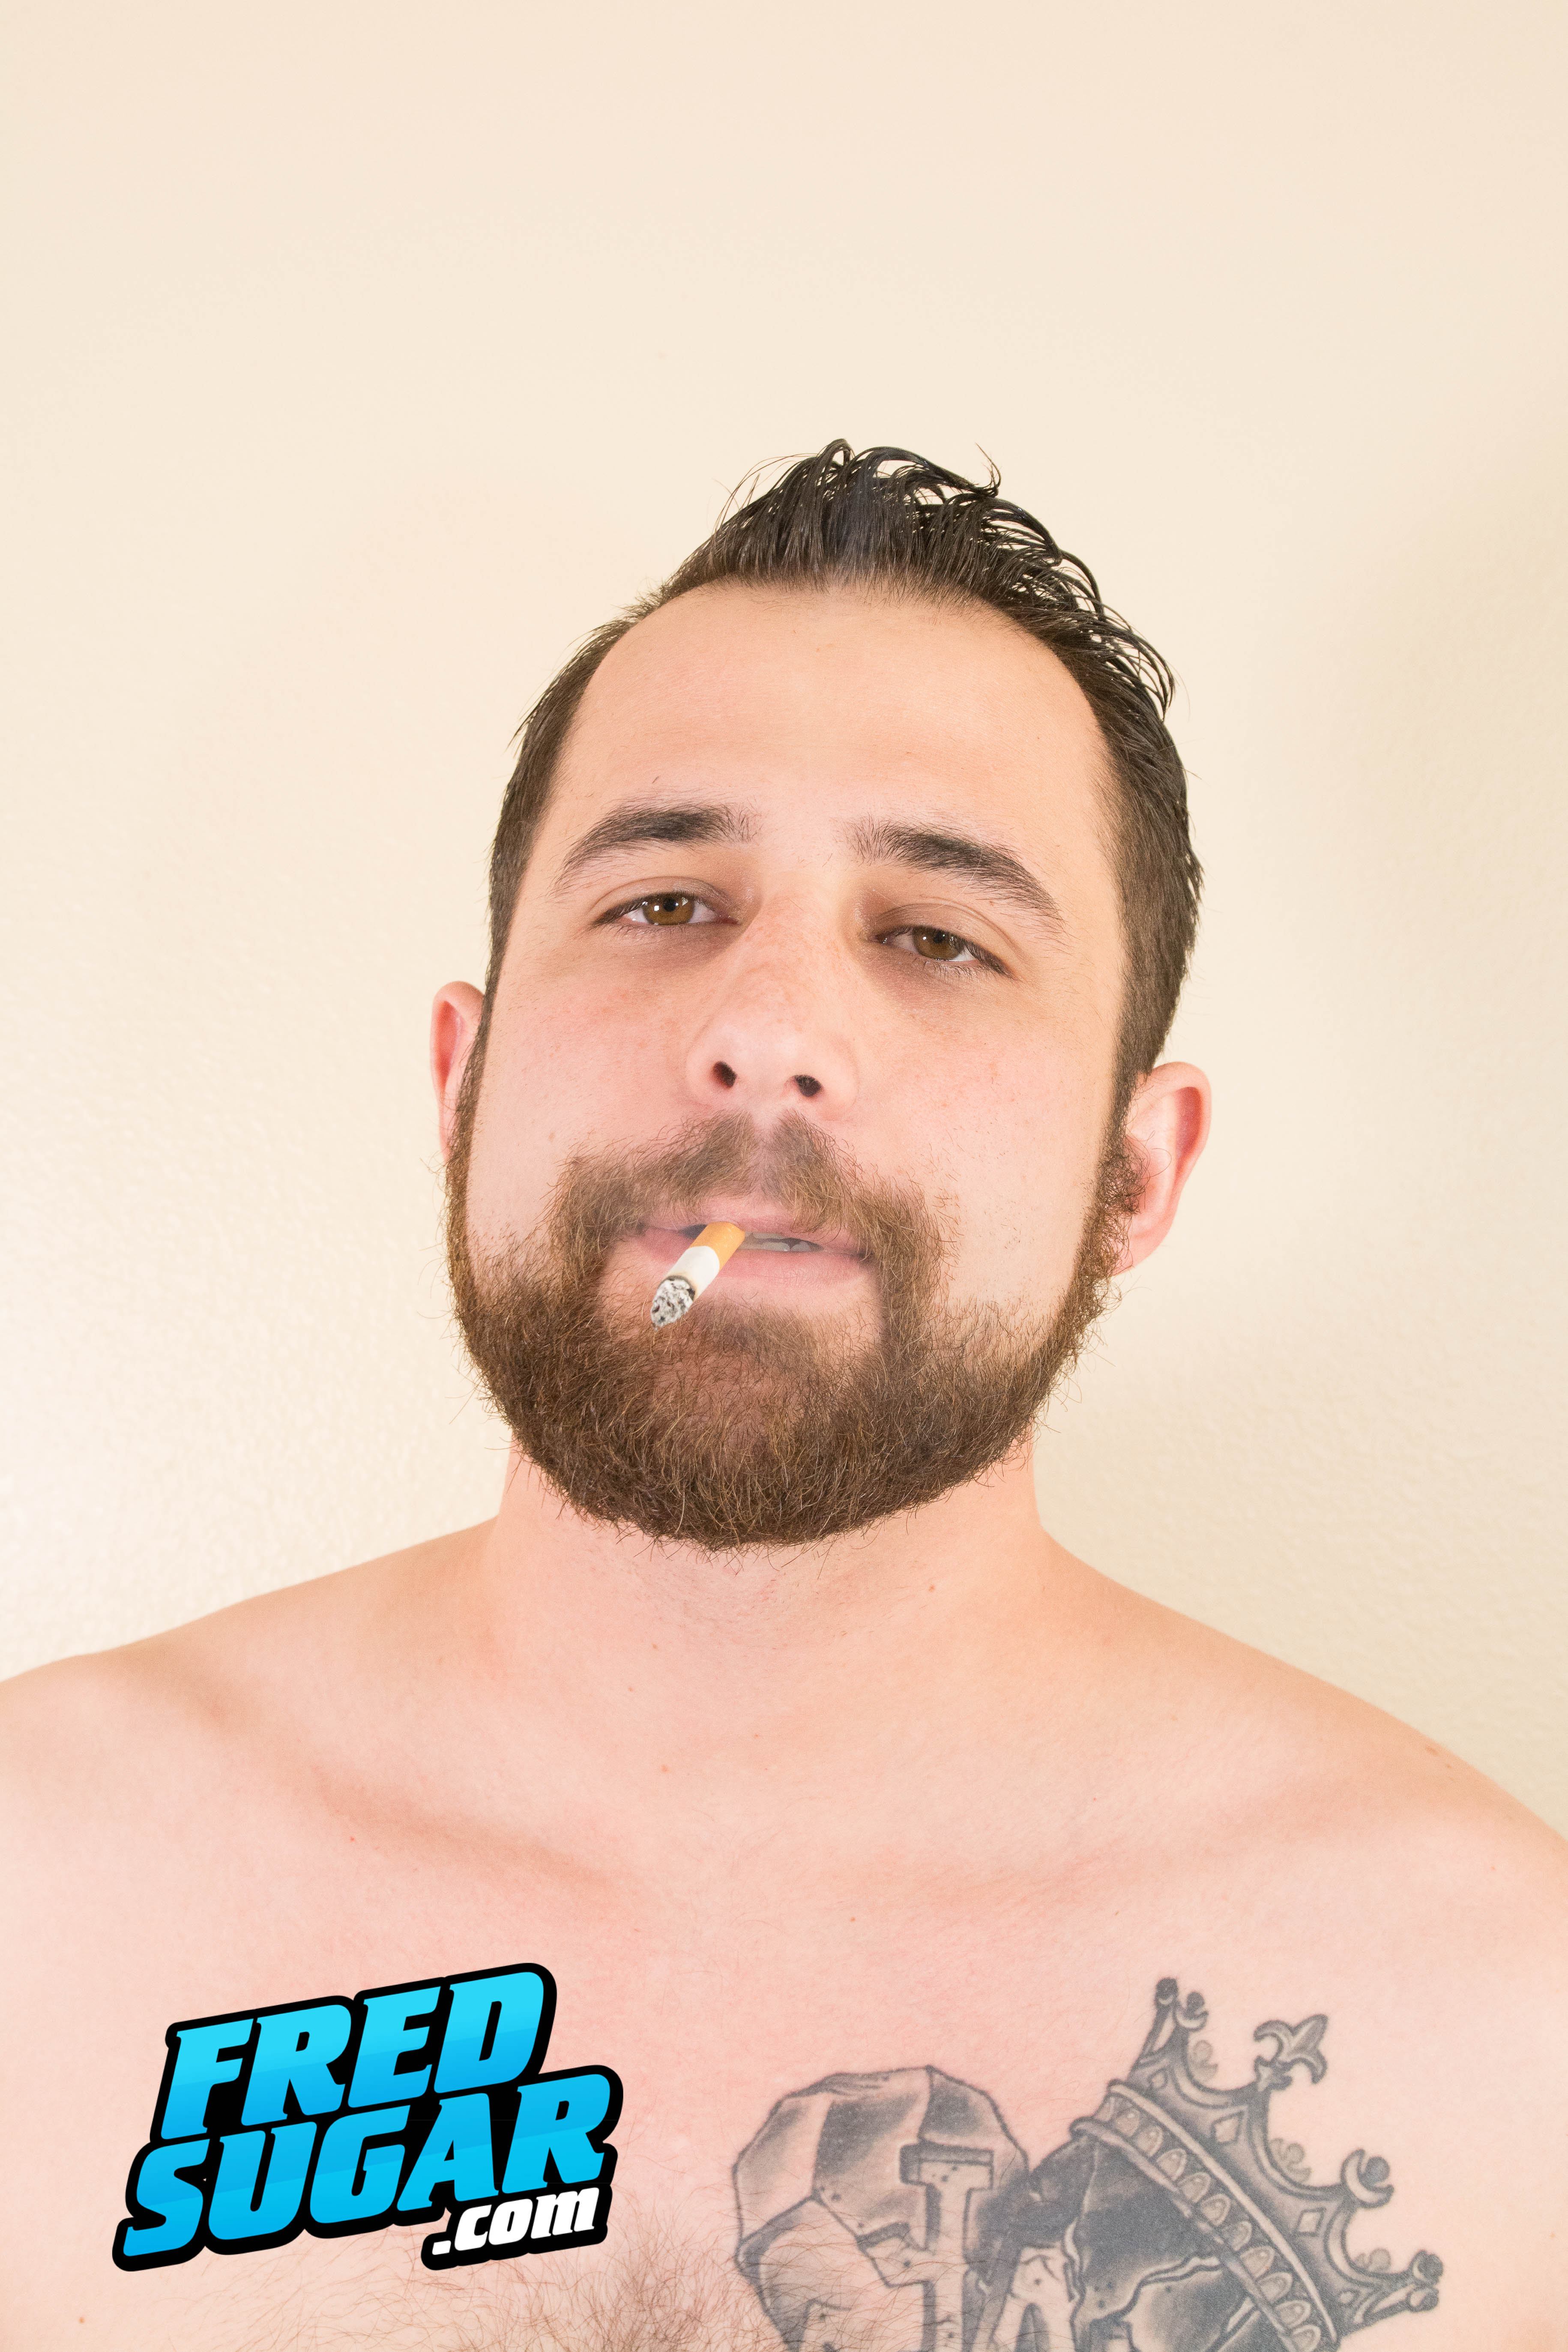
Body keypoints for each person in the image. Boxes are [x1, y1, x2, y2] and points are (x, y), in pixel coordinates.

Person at [2, 443, 1562, 2352]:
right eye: (665, 900)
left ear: (1134, 1174)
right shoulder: (37, 1896)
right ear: (462, 1088)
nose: (766, 1032)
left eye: (939, 936)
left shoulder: (1499, 2042)